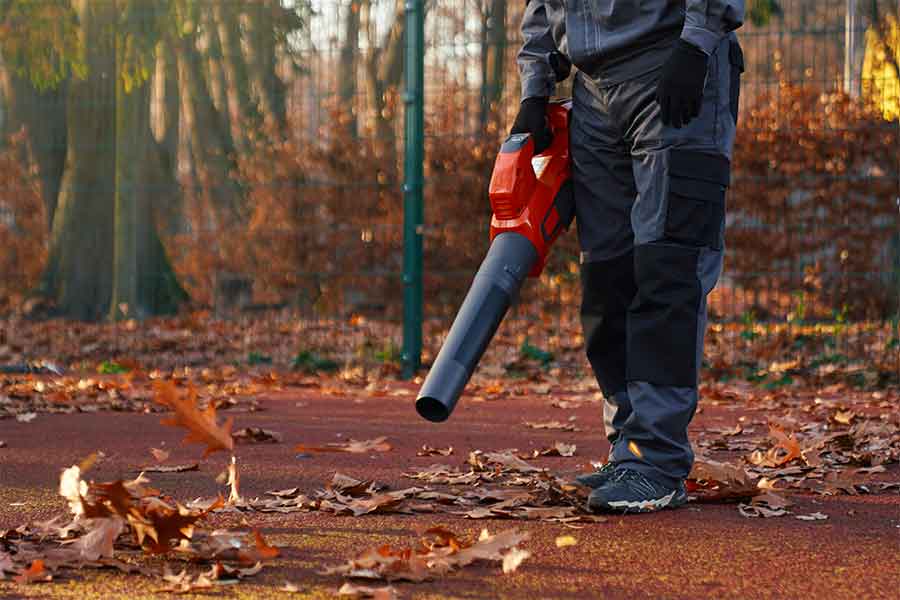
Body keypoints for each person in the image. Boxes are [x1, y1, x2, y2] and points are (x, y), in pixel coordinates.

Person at [512, 1, 745, 513]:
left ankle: (656, 460)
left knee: (667, 267)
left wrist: (697, 41)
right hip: (593, 91)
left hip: (675, 64)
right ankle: (629, 449)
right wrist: (536, 86)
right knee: (607, 277)